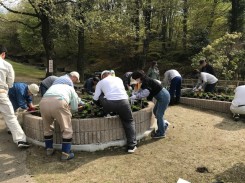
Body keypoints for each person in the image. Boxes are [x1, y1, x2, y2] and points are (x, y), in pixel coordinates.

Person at [93, 70, 137, 153]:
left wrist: (98, 104)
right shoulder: (119, 79)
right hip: (124, 102)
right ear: (110, 74)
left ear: (102, 76)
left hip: (109, 105)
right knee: (129, 122)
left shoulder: (101, 82)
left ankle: (106, 113)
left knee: (101, 95)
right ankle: (131, 146)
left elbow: (95, 97)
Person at [39, 84, 81, 160]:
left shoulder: (53, 86)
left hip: (43, 103)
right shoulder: (70, 88)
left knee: (47, 128)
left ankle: (49, 150)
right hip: (59, 102)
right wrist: (69, 112)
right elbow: (74, 107)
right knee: (67, 130)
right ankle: (66, 153)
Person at [0, 45, 30, 148]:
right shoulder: (7, 65)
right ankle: (20, 140)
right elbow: (11, 83)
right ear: (3, 54)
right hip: (1, 93)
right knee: (11, 118)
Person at [131, 70, 170, 139]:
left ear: (139, 77)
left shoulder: (146, 81)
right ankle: (164, 125)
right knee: (155, 112)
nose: (135, 81)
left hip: (164, 96)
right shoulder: (142, 80)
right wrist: (133, 93)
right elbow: (137, 88)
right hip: (161, 97)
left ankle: (161, 133)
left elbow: (146, 92)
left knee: (159, 114)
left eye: (136, 79)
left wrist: (136, 96)